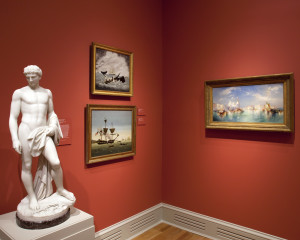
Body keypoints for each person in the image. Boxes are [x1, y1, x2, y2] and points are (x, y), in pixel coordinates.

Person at [9, 65, 75, 210]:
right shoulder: (19, 93)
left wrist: (52, 125)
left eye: (33, 77)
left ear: (40, 76)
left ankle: (60, 189)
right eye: (28, 77)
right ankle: (32, 197)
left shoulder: (47, 93)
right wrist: (15, 138)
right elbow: (13, 118)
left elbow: (51, 113)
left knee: (55, 162)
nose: (30, 80)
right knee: (27, 166)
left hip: (43, 132)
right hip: (26, 130)